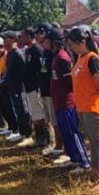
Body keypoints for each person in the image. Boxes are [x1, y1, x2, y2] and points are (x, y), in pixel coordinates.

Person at [68, 28, 99, 188]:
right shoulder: (81, 58)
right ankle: (95, 169)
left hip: (93, 106)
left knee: (98, 141)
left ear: (82, 42)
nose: (71, 47)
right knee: (92, 141)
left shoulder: (92, 59)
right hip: (83, 106)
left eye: (73, 44)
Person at [47, 28, 90, 168]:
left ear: (53, 41)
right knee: (65, 133)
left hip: (67, 103)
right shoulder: (55, 56)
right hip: (59, 102)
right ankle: (74, 158)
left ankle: (84, 162)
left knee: (72, 133)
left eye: (46, 40)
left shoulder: (62, 58)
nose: (43, 43)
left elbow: (70, 83)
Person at [22, 27, 50, 149]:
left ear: (29, 37)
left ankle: (45, 139)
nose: (21, 39)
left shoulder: (37, 50)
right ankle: (39, 137)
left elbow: (42, 69)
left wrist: (40, 85)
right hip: (29, 87)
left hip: (36, 87)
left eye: (23, 36)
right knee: (34, 115)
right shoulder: (28, 50)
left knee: (40, 115)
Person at [36, 23, 61, 157]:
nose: (41, 42)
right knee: (49, 120)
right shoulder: (45, 52)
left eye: (43, 40)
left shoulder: (55, 54)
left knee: (55, 121)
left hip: (52, 91)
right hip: (45, 89)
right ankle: (53, 143)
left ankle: (58, 145)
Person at [2, 30, 32, 144]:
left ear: (13, 40)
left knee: (23, 111)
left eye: (7, 39)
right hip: (12, 87)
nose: (5, 41)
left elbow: (24, 71)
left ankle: (28, 135)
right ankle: (22, 132)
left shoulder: (17, 54)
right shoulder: (9, 54)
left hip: (19, 88)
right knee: (18, 111)